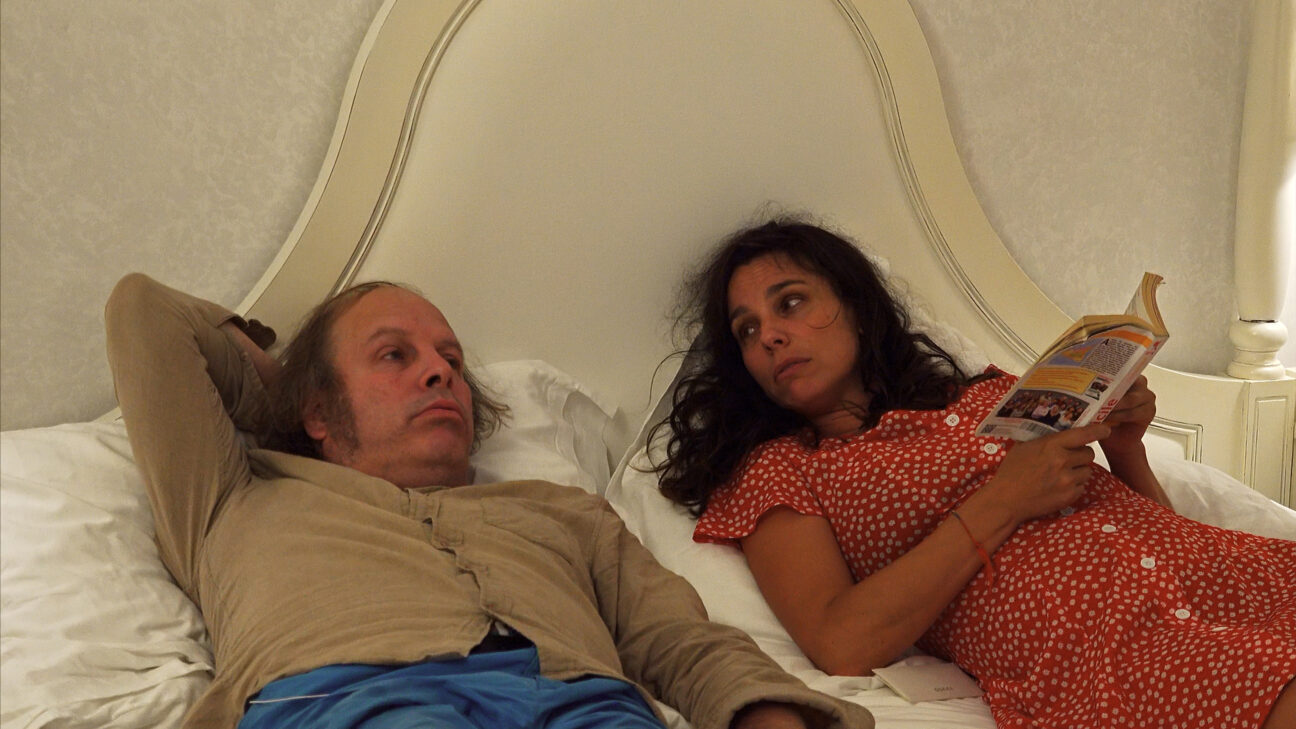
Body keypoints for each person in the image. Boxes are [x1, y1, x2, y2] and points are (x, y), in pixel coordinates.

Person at [104, 273, 874, 729]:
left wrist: (767, 714)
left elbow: (679, 639)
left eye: (451, 359)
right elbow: (145, 312)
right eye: (394, 355)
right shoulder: (235, 495)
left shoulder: (565, 514)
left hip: (584, 704)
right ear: (318, 407)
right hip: (355, 699)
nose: (441, 372)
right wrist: (288, 394)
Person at [650, 219, 1296, 729]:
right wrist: (1003, 500)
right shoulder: (781, 468)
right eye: (747, 330)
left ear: (856, 306)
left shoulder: (988, 393)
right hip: (1109, 649)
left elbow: (1146, 529)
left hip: (1231, 578)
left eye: (790, 303)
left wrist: (1126, 451)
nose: (769, 336)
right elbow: (839, 641)